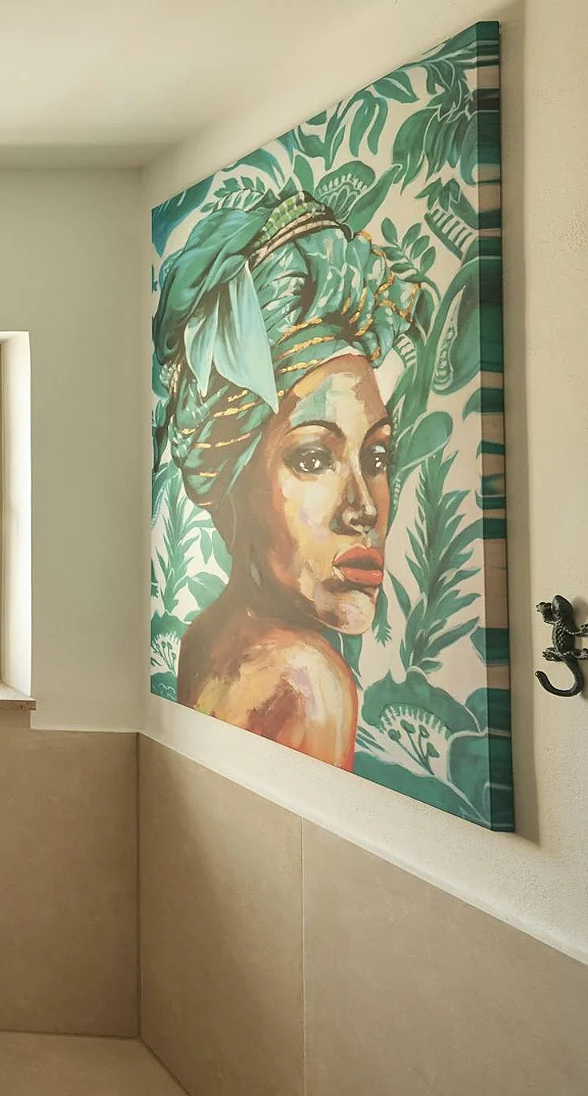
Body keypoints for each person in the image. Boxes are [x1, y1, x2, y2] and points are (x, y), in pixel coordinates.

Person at [154, 192, 419, 766]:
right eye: (313, 459)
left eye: (376, 459)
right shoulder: (311, 680)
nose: (363, 509)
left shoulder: (204, 637)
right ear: (232, 479)